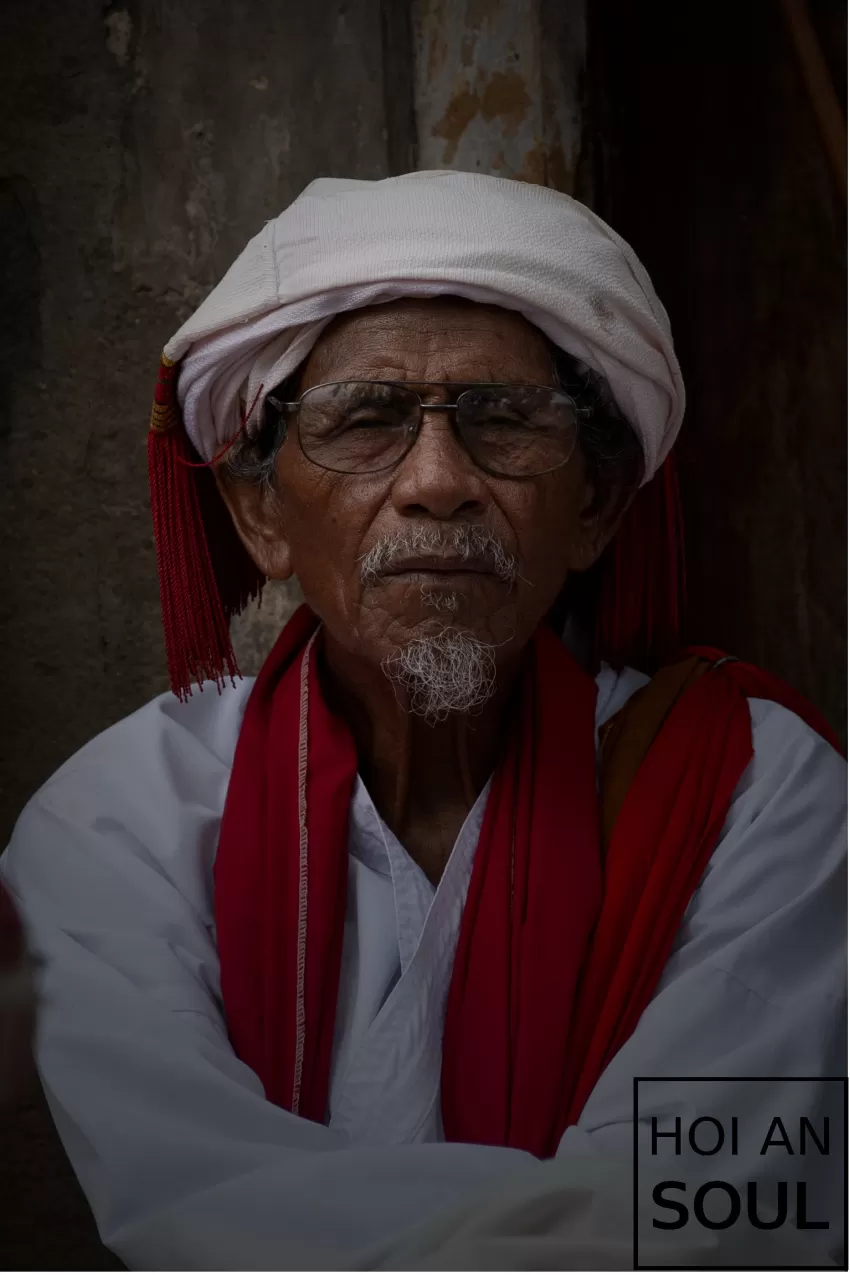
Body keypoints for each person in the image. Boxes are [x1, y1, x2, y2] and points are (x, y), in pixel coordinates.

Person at [0, 172, 845, 1269]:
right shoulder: (116, 824)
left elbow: (692, 1224)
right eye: (366, 422)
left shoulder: (760, 795)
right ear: (260, 512)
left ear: (593, 510)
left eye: (504, 420)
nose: (437, 482)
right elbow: (202, 1218)